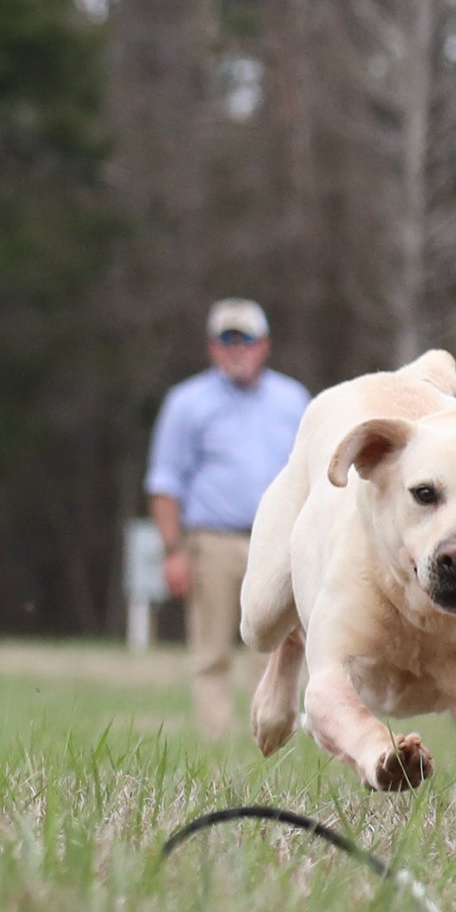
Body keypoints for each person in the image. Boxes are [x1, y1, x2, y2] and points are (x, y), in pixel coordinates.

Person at [144, 296, 311, 738]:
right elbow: (164, 482)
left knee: (276, 647)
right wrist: (173, 550)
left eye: (246, 339)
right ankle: (215, 743)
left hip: (277, 544)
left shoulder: (293, 400)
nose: (237, 348)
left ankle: (270, 740)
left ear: (265, 345)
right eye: (226, 339)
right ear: (212, 347)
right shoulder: (186, 403)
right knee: (211, 651)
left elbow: (312, 475)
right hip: (212, 542)